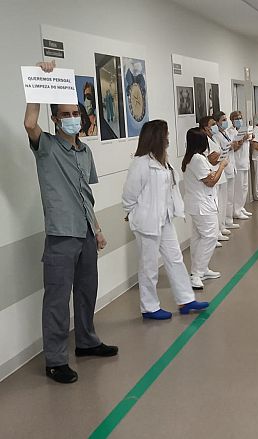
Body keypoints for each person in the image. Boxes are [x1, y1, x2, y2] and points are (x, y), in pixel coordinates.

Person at [23, 60, 117, 384]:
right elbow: (29, 123)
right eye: (65, 114)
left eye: (75, 113)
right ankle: (55, 360)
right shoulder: (47, 148)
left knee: (87, 291)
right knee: (57, 299)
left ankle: (87, 342)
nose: (72, 118)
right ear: (55, 119)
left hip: (86, 232)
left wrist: (98, 229)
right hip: (61, 236)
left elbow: (85, 195)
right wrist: (38, 81)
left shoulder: (85, 152)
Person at [122, 120, 210, 319]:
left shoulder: (163, 161)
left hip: (165, 219)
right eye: (166, 134)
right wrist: (133, 214)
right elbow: (129, 196)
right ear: (157, 137)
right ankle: (149, 307)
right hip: (147, 223)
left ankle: (186, 300)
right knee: (149, 266)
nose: (168, 138)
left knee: (175, 259)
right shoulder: (141, 163)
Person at [183, 127, 227, 291]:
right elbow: (210, 181)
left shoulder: (193, 158)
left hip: (198, 204)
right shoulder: (197, 159)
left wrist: (212, 163)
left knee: (198, 237)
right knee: (210, 236)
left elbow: (207, 173)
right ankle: (196, 274)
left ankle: (201, 268)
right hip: (202, 205)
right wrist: (222, 166)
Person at [199, 116, 228, 246]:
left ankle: (220, 229)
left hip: (219, 172)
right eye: (213, 124)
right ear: (206, 128)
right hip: (213, 173)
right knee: (215, 206)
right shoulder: (204, 141)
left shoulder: (213, 138)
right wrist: (219, 158)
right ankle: (215, 233)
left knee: (221, 204)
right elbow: (210, 158)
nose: (215, 126)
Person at [213, 111, 241, 231]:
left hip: (231, 166)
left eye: (226, 119)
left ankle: (228, 220)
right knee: (223, 199)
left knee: (230, 198)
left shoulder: (226, 133)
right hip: (223, 169)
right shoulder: (216, 136)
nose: (225, 122)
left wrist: (235, 145)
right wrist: (229, 147)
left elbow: (232, 148)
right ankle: (221, 225)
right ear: (217, 123)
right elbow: (218, 152)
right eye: (223, 120)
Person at [228, 111, 253, 220]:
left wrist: (250, 137)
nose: (239, 120)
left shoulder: (243, 130)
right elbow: (234, 148)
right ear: (232, 120)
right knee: (238, 188)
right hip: (237, 163)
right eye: (236, 118)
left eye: (240, 118)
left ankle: (241, 206)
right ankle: (236, 211)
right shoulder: (230, 132)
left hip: (245, 162)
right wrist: (243, 139)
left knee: (244, 187)